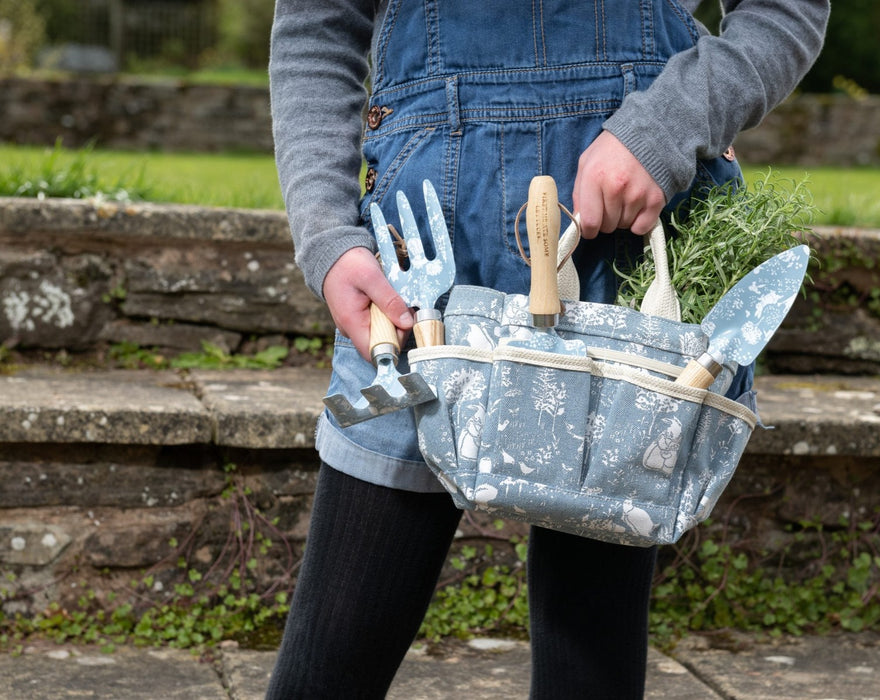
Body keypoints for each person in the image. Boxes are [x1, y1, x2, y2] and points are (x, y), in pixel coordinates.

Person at [266, 1, 829, 698]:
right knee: (330, 662)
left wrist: (667, 125)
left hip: (624, 243)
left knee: (587, 664)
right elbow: (319, 23)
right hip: (419, 271)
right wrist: (325, 232)